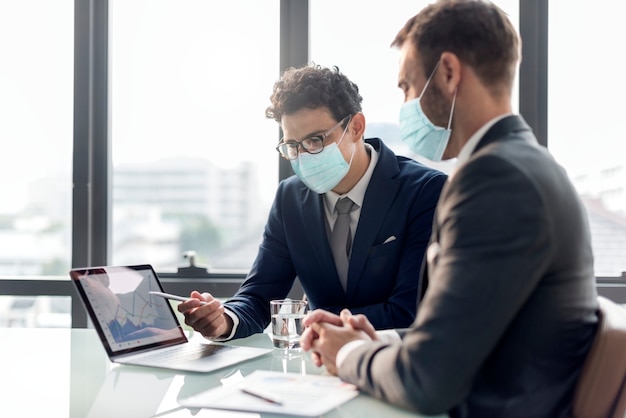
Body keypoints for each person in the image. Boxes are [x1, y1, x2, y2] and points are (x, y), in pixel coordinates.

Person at [301, 1, 599, 417]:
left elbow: (429, 380)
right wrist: (383, 341)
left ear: (448, 72)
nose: (404, 103)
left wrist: (348, 354)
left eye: (406, 86)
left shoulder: (496, 180)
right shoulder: (525, 164)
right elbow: (469, 330)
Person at [177, 64, 447, 341]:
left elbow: (410, 311)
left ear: (355, 127)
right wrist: (223, 320)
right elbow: (259, 295)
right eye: (293, 146)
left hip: (395, 362)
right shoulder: (289, 198)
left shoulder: (425, 192)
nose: (304, 156)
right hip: (317, 366)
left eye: (316, 140)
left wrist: (313, 325)